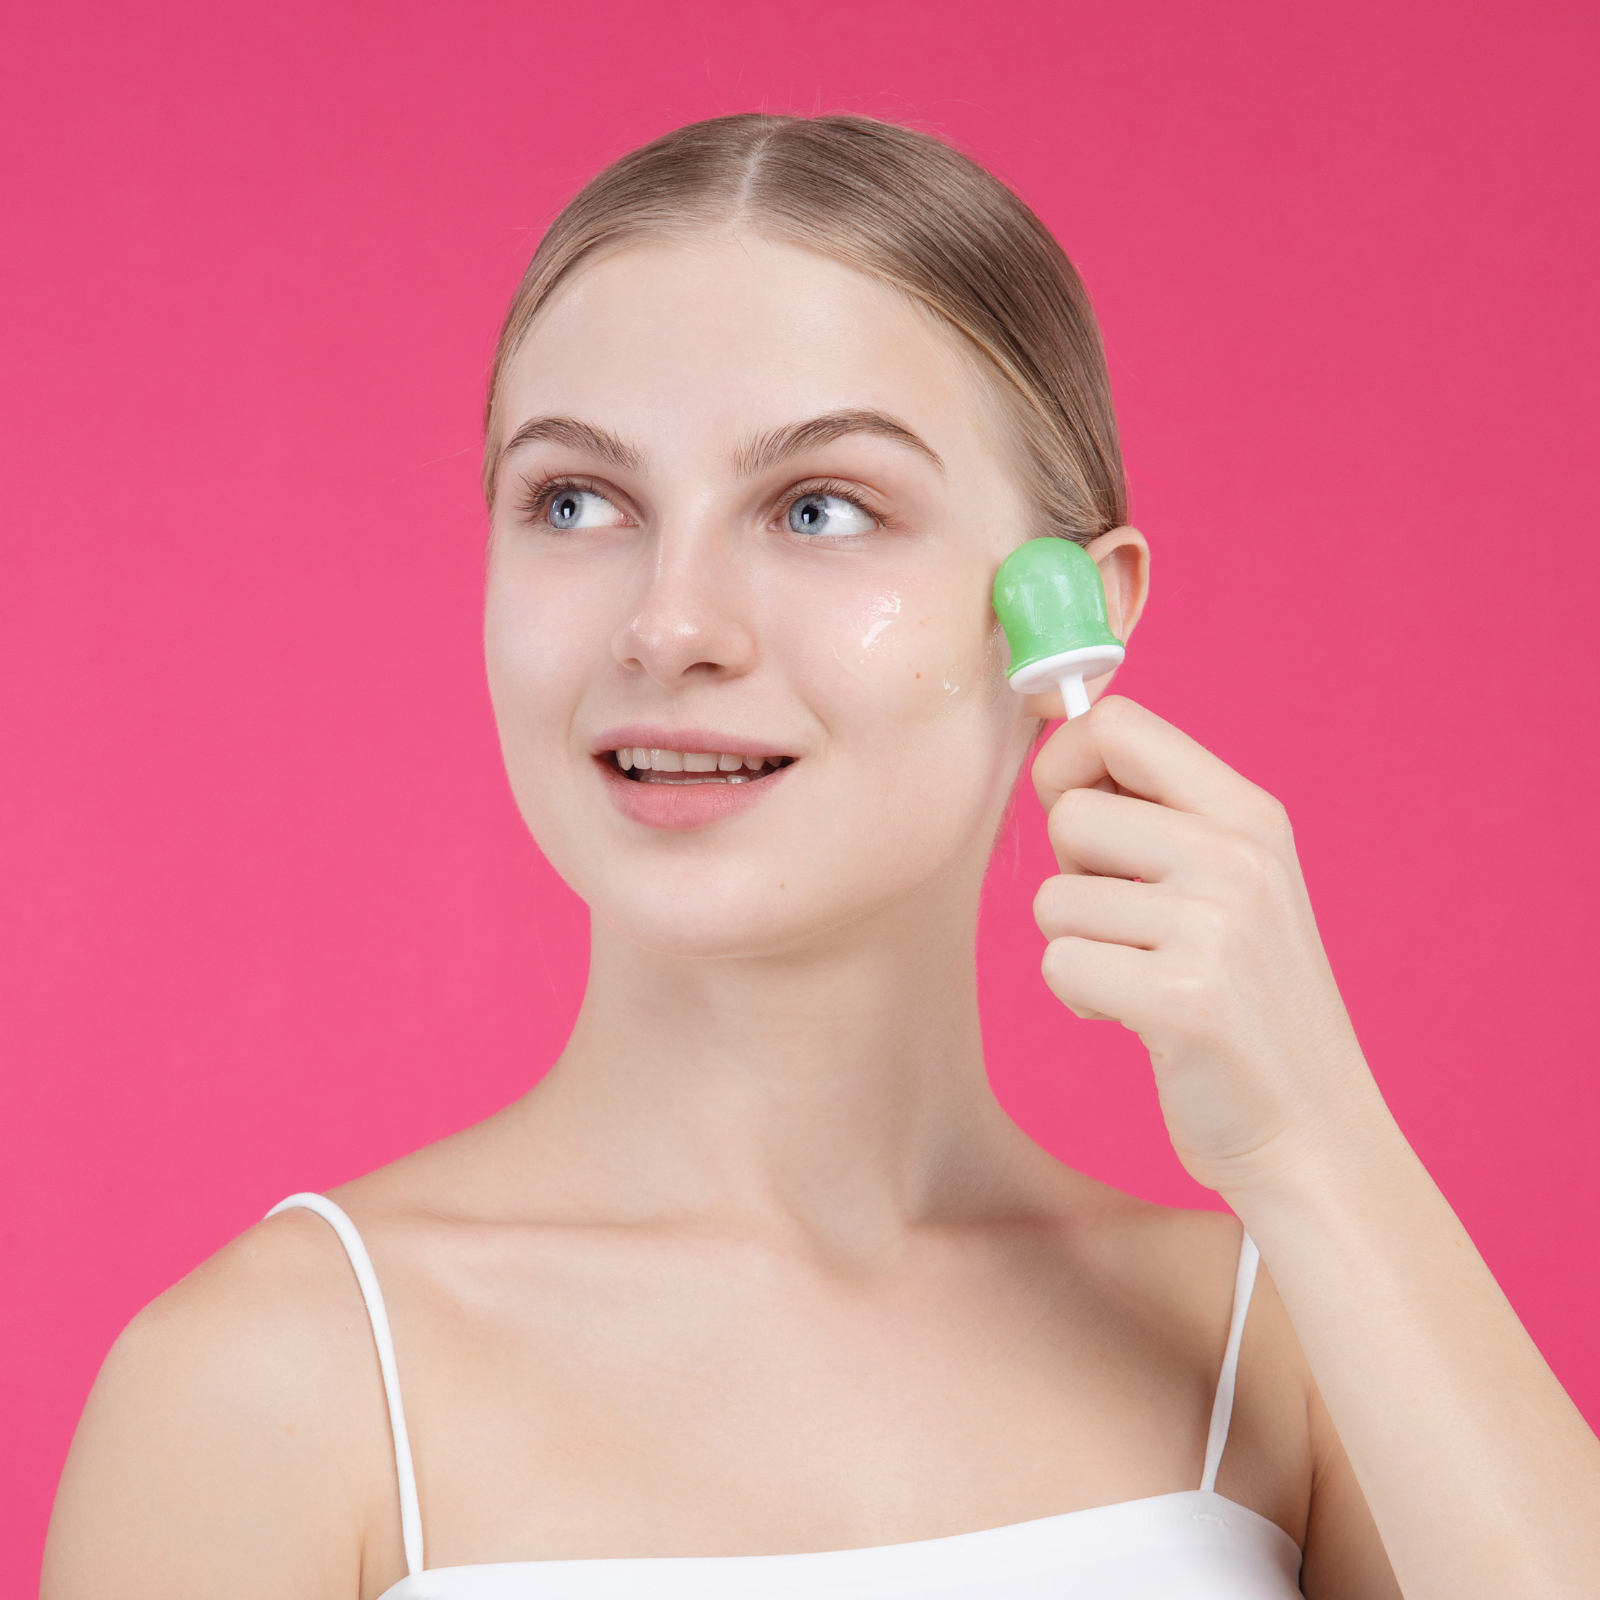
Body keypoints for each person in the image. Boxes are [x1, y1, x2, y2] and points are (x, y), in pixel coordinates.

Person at [42, 113, 1600, 1600]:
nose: (669, 625)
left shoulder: (1287, 1342)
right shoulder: (267, 1385)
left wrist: (1315, 1145)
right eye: (575, 500)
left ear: (1071, 607)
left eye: (820, 509)